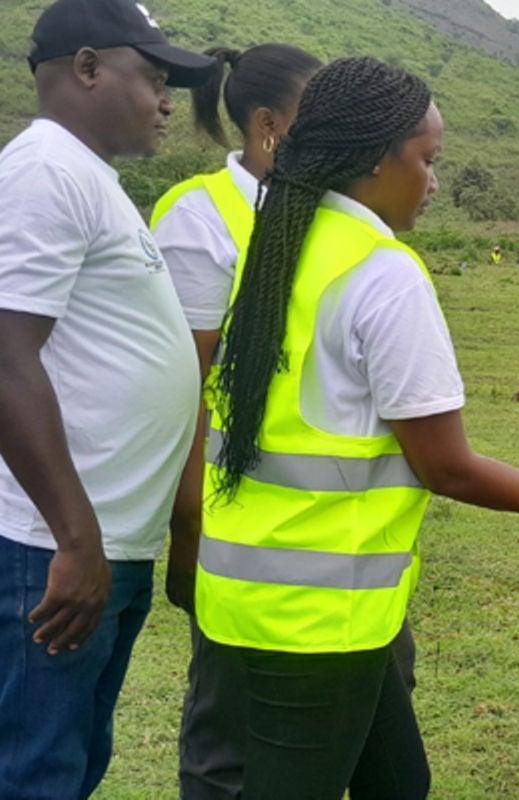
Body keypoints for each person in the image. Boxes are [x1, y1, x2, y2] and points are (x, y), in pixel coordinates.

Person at [193, 56, 519, 800]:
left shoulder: (278, 244)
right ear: (380, 157)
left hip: (249, 599)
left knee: (398, 782)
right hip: (319, 622)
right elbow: (448, 467)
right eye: (429, 161)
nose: (436, 182)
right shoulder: (383, 272)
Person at [151, 43, 426, 800]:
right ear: (270, 126)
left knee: (391, 768)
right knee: (228, 750)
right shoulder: (203, 218)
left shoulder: (341, 227)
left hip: (340, 563)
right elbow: (186, 394)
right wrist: (189, 532)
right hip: (250, 550)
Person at [0, 1, 213, 796]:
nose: (166, 101)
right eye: (153, 78)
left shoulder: (91, 180)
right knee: (33, 773)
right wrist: (76, 540)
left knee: (71, 764)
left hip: (103, 542)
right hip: (50, 546)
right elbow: (5, 355)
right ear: (87, 69)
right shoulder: (46, 173)